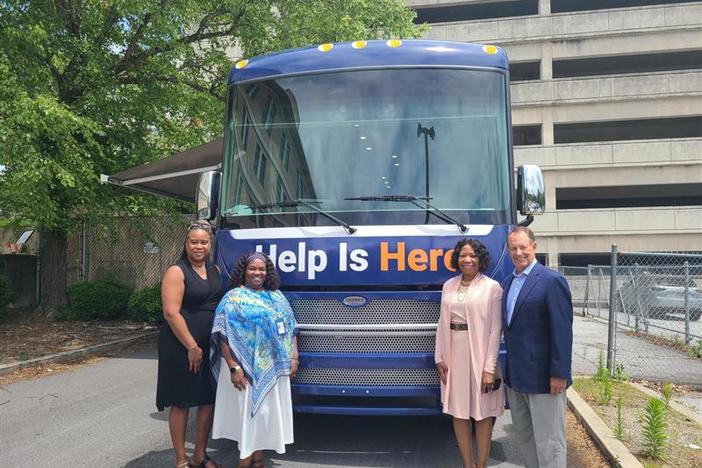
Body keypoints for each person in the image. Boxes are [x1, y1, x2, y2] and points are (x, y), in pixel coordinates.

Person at [210, 252, 298, 468]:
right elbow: (223, 334)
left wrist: (294, 356)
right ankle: (244, 463)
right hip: (244, 370)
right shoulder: (232, 298)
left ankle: (257, 461)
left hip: (274, 369)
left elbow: (291, 328)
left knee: (264, 417)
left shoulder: (276, 296)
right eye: (252, 269)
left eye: (262, 269)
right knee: (250, 417)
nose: (257, 273)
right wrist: (233, 366)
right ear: (243, 271)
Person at [502, 226, 573, 468]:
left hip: (545, 378)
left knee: (550, 441)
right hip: (516, 377)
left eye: (523, 247)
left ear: (534, 246)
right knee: (525, 437)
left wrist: (559, 373)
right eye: (513, 248)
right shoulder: (508, 282)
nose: (518, 252)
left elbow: (562, 331)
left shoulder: (552, 281)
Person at [156, 220, 224, 468]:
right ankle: (182, 460)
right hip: (181, 346)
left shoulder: (214, 269)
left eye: (203, 242)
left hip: (209, 346)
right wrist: (192, 347)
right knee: (182, 401)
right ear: (186, 244)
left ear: (210, 244)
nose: (199, 246)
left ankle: (199, 455)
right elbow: (171, 313)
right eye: (194, 242)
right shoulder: (177, 271)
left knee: (207, 400)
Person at [435, 238, 504, 468]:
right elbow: (441, 324)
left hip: (480, 354)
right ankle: (467, 464)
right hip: (454, 354)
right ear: (457, 259)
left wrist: (489, 368)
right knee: (459, 413)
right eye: (463, 255)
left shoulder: (492, 287)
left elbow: (495, 330)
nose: (467, 259)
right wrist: (440, 357)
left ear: (480, 259)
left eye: (473, 255)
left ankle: (481, 464)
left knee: (482, 414)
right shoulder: (449, 285)